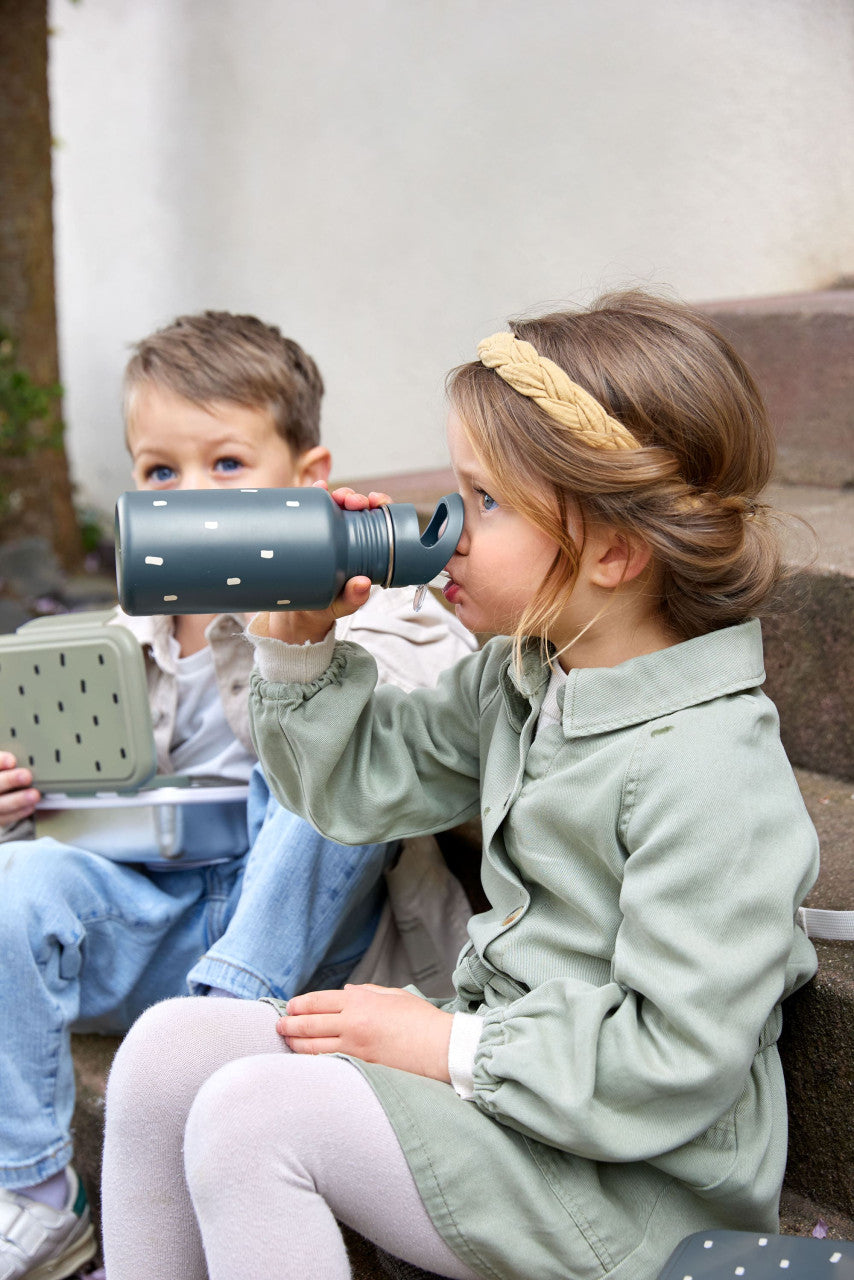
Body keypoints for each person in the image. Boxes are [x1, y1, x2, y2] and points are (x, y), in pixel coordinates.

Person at [101, 291, 820, 1280]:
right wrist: (302, 640)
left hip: (624, 1182)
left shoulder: (707, 768)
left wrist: (442, 1042)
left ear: (611, 550)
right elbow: (354, 790)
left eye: (483, 501)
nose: (449, 527)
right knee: (167, 1053)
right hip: (507, 1097)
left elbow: (672, 1056)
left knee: (253, 1118)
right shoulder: (525, 675)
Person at [0, 311, 475, 1280]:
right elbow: (82, 794)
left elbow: (424, 731)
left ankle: (223, 1017)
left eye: (226, 464)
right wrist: (22, 796)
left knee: (324, 757)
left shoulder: (362, 590)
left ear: (306, 475)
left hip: (311, 932)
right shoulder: (122, 631)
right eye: (160, 471)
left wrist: (299, 617)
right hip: (165, 909)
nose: (188, 495)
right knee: (17, 881)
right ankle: (38, 1190)